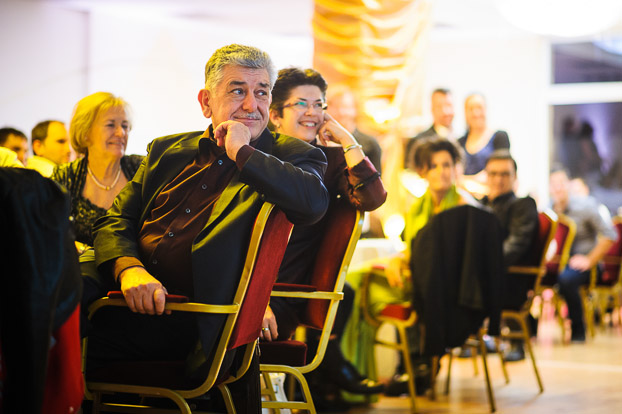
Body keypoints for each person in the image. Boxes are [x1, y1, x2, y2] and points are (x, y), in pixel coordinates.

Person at [89, 44, 330, 413]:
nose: (251, 105)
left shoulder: (291, 156)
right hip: (122, 294)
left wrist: (243, 153)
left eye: (261, 92)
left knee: (55, 336)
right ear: (206, 102)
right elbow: (116, 219)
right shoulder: (166, 150)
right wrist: (129, 268)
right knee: (43, 294)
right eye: (238, 91)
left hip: (195, 319)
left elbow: (313, 203)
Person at [264, 67, 387, 406]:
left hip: (282, 294)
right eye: (301, 103)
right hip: (244, 290)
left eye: (319, 104)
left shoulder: (330, 163)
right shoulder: (259, 159)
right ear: (275, 116)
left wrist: (346, 139)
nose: (312, 112)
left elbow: (373, 198)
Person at [342, 137, 476, 397]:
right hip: (419, 277)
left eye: (447, 165)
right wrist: (398, 260)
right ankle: (354, 371)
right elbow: (413, 248)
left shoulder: (464, 207)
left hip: (449, 288)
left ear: (455, 168)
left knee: (375, 288)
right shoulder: (417, 207)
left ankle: (415, 364)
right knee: (356, 282)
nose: (441, 172)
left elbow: (464, 259)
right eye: (434, 166)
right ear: (423, 171)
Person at [51, 92, 143, 252]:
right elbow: (51, 232)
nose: (121, 133)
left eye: (125, 126)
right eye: (111, 125)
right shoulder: (65, 176)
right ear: (85, 133)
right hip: (82, 265)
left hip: (138, 264)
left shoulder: (141, 169)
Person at [481, 150, 539, 361]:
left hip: (510, 279)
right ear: (486, 176)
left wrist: (480, 265)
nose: (499, 179)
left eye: (505, 174)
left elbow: (515, 246)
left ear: (515, 177)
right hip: (486, 275)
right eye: (493, 174)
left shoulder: (522, 205)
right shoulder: (481, 205)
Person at [549, 166, 617, 342]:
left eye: (561, 183)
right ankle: (528, 330)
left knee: (566, 279)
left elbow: (610, 235)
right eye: (553, 184)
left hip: (586, 266)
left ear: (568, 184)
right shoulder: (549, 210)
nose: (558, 188)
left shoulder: (586, 206)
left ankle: (578, 331)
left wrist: (589, 260)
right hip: (559, 264)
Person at [457, 93, 509, 194]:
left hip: (492, 195)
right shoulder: (459, 143)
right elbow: (456, 176)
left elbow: (500, 170)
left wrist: (466, 181)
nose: (475, 113)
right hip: (465, 197)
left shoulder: (499, 137)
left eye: (479, 107)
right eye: (471, 109)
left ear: (486, 109)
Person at [325, 83, 383, 174]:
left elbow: (376, 180)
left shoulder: (370, 144)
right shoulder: (320, 141)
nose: (341, 112)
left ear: (355, 109)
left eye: (345, 107)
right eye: (335, 107)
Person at [404, 88, 455, 169]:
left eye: (449, 105)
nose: (445, 111)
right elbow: (409, 173)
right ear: (432, 109)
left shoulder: (461, 140)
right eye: (439, 106)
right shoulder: (419, 142)